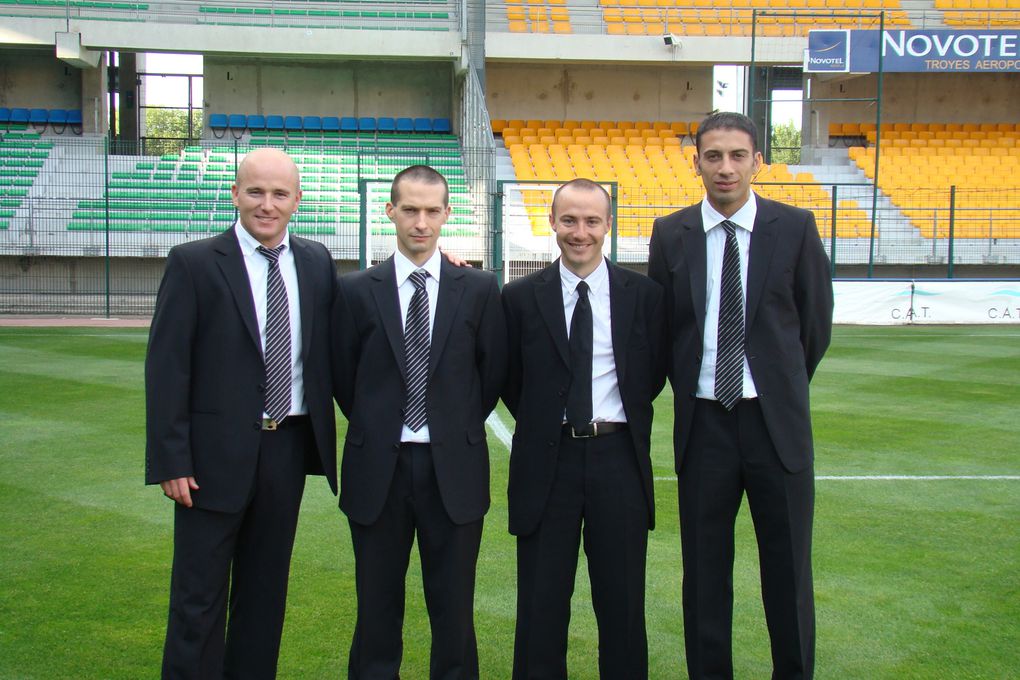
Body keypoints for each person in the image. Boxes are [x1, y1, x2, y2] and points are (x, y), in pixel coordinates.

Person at [647, 112, 834, 680]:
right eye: (713, 156)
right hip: (704, 427)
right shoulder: (670, 232)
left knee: (788, 573)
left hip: (774, 428)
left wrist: (773, 386)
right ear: (696, 161)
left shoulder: (796, 227)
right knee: (704, 574)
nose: (724, 167)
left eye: (736, 156)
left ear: (758, 161)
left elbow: (813, 328)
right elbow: (664, 330)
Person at [145, 147, 338, 679]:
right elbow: (167, 367)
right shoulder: (194, 262)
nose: (267, 204)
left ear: (297, 200)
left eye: (280, 194)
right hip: (210, 460)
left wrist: (440, 263)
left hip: (287, 448)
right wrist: (170, 459)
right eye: (256, 191)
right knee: (197, 598)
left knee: (264, 596)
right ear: (235, 194)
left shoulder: (318, 261)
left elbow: (362, 314)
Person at [331, 165, 507, 680]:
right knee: (377, 608)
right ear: (390, 212)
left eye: (432, 211)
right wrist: (383, 424)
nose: (421, 222)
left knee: (453, 610)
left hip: (452, 468)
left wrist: (450, 426)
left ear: (448, 214)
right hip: (377, 471)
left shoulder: (477, 288)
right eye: (410, 209)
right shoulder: (356, 290)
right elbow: (345, 378)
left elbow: (489, 373)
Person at [502, 178, 667, 679]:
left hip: (618, 461)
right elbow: (511, 379)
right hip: (545, 462)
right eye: (569, 220)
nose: (580, 232)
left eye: (592, 220)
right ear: (551, 222)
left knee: (621, 608)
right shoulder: (519, 298)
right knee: (541, 607)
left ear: (608, 225)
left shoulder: (644, 296)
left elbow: (651, 374)